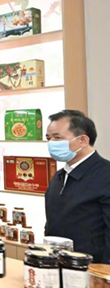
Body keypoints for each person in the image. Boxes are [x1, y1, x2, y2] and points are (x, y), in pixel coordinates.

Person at [44, 110, 110, 263]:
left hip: (92, 268)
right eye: (49, 138)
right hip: (58, 263)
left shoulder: (105, 174)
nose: (51, 143)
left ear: (83, 140)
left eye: (58, 138)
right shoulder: (59, 175)